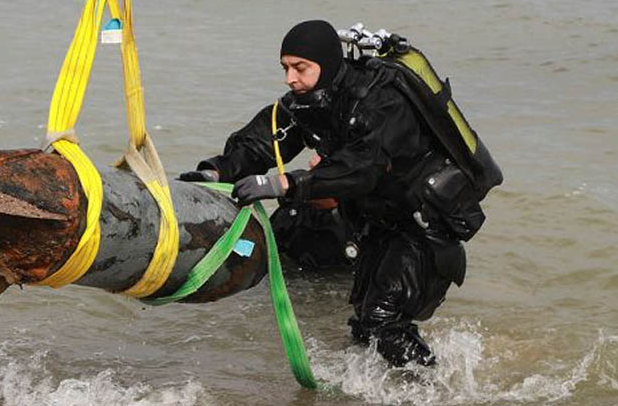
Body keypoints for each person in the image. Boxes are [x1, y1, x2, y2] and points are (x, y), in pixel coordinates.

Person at [179, 20, 498, 367]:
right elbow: (260, 142)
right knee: (363, 327)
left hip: (425, 225)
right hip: (378, 222)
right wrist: (215, 171)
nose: (290, 79)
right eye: (285, 68)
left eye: (300, 68)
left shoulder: (383, 101)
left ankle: (434, 385)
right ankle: (386, 387)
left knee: (382, 322)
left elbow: (362, 168)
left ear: (327, 64)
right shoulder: (309, 103)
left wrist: (286, 184)